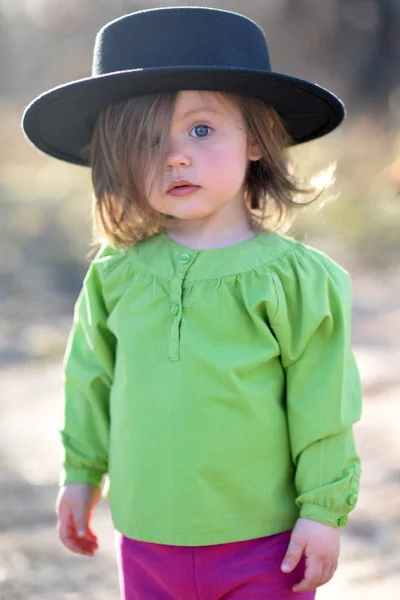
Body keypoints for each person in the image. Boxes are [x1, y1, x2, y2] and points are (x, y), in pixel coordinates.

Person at [22, 6, 362, 599]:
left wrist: (323, 511)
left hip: (266, 546)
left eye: (201, 129)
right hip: (148, 541)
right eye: (148, 138)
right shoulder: (115, 276)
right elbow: (90, 380)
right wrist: (80, 474)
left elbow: (323, 402)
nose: (175, 155)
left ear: (256, 138)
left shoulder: (295, 279)